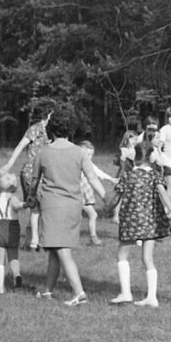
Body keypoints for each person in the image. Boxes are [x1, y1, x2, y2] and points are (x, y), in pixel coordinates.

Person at [28, 111, 107, 305]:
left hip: (52, 206)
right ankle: (47, 291)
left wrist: (30, 197)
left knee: (61, 249)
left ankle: (79, 293)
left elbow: (34, 180)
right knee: (56, 250)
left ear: (51, 129)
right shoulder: (79, 152)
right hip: (73, 206)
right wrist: (106, 198)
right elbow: (92, 178)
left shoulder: (43, 152)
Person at [104, 141, 171, 307]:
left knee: (122, 255)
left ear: (135, 157)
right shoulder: (155, 175)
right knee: (148, 258)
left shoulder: (127, 176)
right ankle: (151, 297)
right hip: (151, 221)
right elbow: (163, 193)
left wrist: (108, 207)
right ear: (151, 157)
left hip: (130, 221)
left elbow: (116, 198)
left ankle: (126, 293)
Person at [0, 107, 52, 250]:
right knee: (36, 207)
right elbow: (20, 146)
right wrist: (9, 164)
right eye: (51, 113)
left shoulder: (45, 130)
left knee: (35, 206)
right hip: (33, 173)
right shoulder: (36, 128)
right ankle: (36, 241)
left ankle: (29, 241)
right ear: (47, 115)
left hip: (36, 172)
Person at [0, 173, 25, 294]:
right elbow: (17, 206)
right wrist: (25, 205)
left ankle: (0, 287)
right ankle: (17, 275)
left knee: (0, 260)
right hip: (12, 229)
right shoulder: (12, 198)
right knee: (13, 256)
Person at [77, 140, 117, 246]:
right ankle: (92, 238)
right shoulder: (79, 162)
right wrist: (111, 180)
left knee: (87, 215)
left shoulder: (85, 162)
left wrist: (111, 179)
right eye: (88, 154)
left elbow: (98, 172)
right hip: (79, 193)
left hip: (82, 193)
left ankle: (90, 238)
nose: (90, 157)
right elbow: (95, 174)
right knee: (91, 215)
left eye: (91, 155)